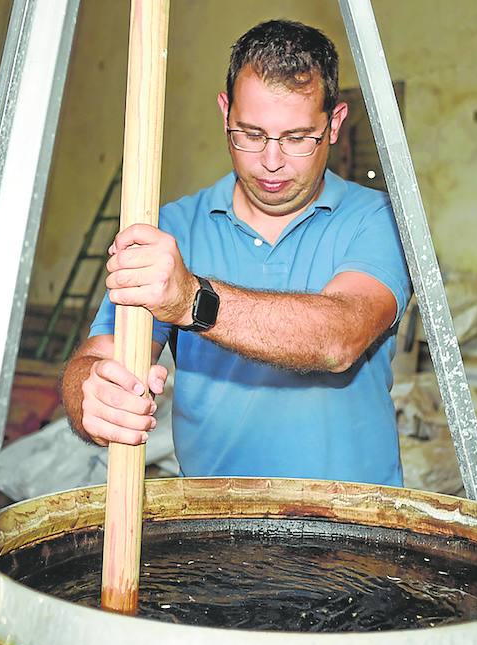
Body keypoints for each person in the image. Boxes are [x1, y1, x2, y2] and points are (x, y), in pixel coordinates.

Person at [60, 19, 411, 487]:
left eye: (296, 138)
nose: (271, 160)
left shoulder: (380, 219)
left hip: (351, 530)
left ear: (335, 124)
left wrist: (191, 301)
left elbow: (338, 337)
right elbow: (99, 357)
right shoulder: (174, 228)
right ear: (225, 112)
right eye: (250, 133)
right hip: (213, 529)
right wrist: (92, 398)